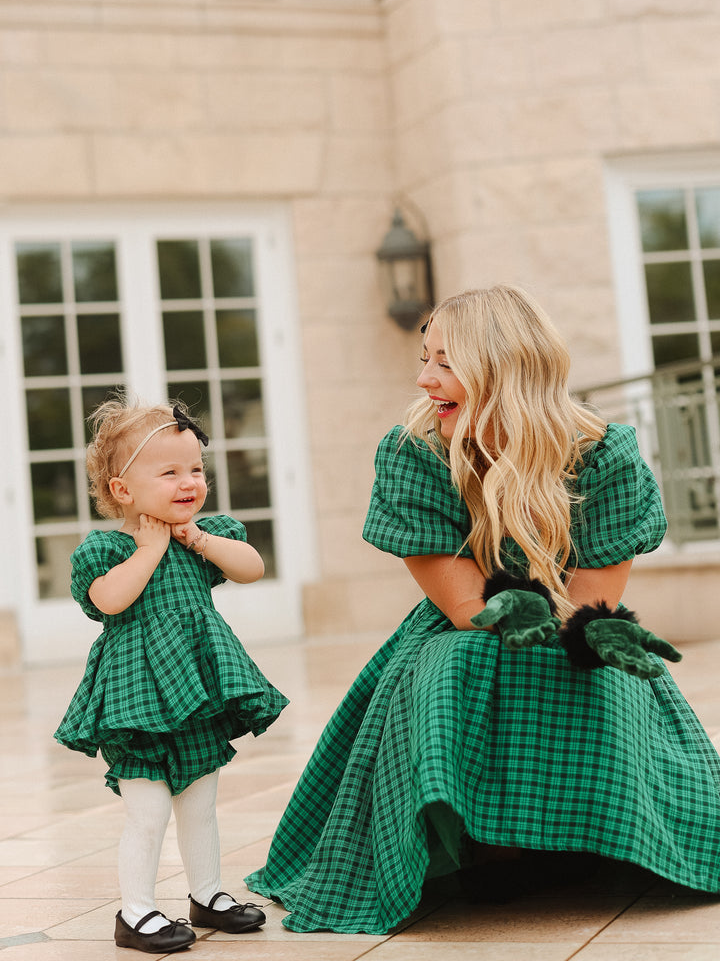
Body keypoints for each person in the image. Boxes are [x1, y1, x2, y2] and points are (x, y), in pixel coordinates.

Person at [245, 285, 720, 935]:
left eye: (444, 361)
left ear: (504, 368)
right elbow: (465, 603)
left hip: (565, 619)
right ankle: (488, 848)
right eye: (425, 356)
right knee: (465, 661)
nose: (423, 378)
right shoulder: (414, 451)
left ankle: (583, 838)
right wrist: (512, 615)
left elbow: (591, 602)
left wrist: (592, 633)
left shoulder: (603, 455)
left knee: (599, 668)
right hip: (464, 623)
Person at [54, 396, 288, 954]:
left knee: (201, 801)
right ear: (123, 491)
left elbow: (252, 568)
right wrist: (150, 548)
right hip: (135, 699)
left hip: (195, 692)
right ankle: (135, 913)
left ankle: (207, 894)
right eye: (171, 472)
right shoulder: (109, 549)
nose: (190, 482)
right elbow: (110, 602)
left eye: (196, 469)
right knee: (149, 809)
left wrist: (200, 539)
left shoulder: (201, 540)